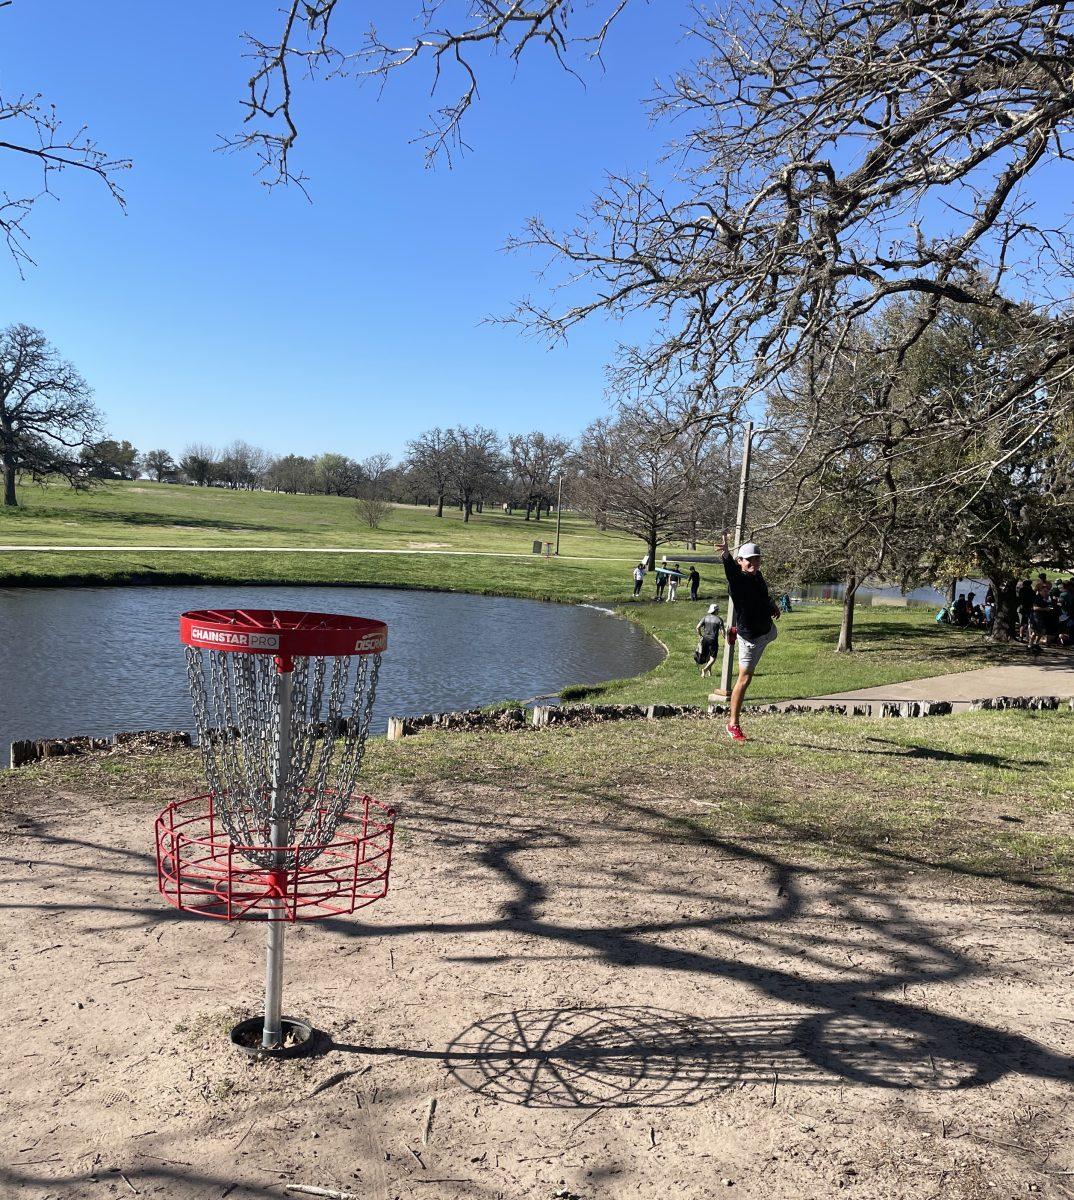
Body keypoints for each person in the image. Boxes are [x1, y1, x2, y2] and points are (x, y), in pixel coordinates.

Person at [717, 532, 781, 743]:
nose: (754, 562)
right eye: (749, 560)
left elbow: (762, 595)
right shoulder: (738, 581)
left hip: (767, 630)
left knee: (773, 634)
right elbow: (731, 574)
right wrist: (726, 555)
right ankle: (733, 724)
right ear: (740, 562)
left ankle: (734, 630)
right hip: (752, 638)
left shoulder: (757, 576)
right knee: (744, 680)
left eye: (757, 558)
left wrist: (771, 605)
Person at [696, 604, 724, 677]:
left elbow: (697, 627)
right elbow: (722, 632)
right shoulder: (719, 619)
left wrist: (700, 635)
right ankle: (704, 669)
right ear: (715, 611)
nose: (718, 611)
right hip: (713, 640)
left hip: (705, 639)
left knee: (708, 656)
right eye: (717, 610)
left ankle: (709, 673)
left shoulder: (705, 618)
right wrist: (726, 638)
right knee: (713, 658)